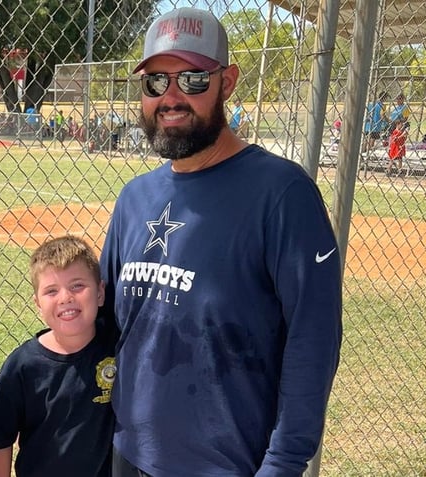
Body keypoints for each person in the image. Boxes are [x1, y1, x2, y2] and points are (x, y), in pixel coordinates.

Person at [101, 8, 342, 476]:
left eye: (191, 79)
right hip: (129, 456)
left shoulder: (281, 194)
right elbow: (109, 323)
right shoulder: (135, 198)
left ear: (227, 81)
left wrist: (283, 463)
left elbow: (313, 342)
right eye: (155, 82)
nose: (170, 97)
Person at [0, 235, 117, 477]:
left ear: (100, 293)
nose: (65, 297)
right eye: (51, 291)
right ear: (37, 304)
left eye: (77, 285)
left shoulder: (117, 347)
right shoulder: (22, 366)